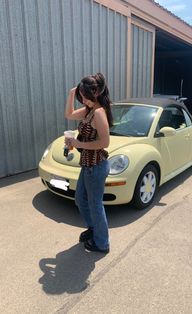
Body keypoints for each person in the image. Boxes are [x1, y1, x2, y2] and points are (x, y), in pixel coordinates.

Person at [64, 73, 113, 254]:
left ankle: (102, 243)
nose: (82, 99)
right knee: (80, 199)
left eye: (84, 96)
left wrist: (78, 144)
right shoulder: (88, 110)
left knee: (95, 204)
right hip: (87, 165)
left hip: (96, 166)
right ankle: (94, 229)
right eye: (81, 96)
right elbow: (68, 114)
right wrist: (71, 93)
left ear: (96, 93)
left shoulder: (99, 113)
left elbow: (104, 143)